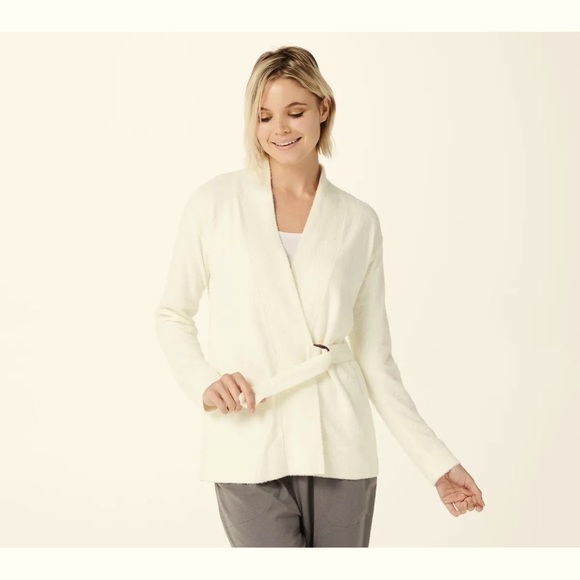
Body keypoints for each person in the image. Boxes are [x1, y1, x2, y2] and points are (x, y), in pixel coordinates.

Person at [154, 45, 485, 548]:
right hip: (246, 436)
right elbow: (172, 313)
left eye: (295, 111)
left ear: (323, 108)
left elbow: (376, 359)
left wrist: (437, 463)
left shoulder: (358, 221)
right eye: (264, 116)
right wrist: (203, 380)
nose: (280, 129)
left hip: (338, 442)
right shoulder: (214, 204)